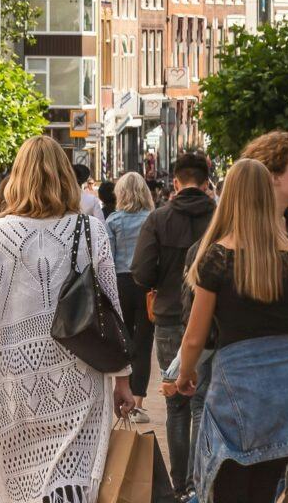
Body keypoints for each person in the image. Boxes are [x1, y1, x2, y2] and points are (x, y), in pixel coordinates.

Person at [0, 136, 132, 503]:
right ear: (65, 176)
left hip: (15, 383)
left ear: (17, 177)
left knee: (20, 487)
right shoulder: (92, 230)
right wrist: (123, 380)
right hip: (81, 376)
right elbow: (112, 310)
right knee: (71, 485)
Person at [161, 158, 288, 503]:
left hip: (237, 393)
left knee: (230, 489)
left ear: (230, 197)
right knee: (266, 490)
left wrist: (183, 377)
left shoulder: (216, 259)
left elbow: (194, 337)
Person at [132, 150, 218, 500]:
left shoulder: (159, 218)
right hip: (213, 322)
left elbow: (141, 272)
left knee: (176, 406)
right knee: (203, 402)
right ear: (207, 181)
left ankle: (180, 486)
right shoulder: (220, 217)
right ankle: (200, 482)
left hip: (169, 318)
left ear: (176, 182)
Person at [109, 173, 156, 407]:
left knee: (123, 339)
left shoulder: (113, 220)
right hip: (146, 284)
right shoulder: (153, 219)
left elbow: (108, 257)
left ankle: (122, 390)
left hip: (121, 283)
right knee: (144, 341)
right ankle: (138, 399)